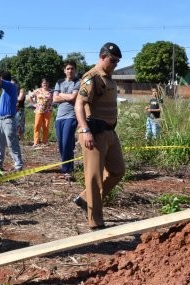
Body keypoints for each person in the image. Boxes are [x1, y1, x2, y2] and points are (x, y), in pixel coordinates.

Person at [73, 42, 125, 231]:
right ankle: (95, 222)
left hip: (110, 132)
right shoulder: (91, 77)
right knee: (94, 178)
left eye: (117, 62)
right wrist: (85, 130)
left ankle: (85, 199)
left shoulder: (109, 78)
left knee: (118, 170)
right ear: (102, 57)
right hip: (94, 134)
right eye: (112, 60)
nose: (115, 64)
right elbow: (79, 104)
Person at [53, 60, 80, 180]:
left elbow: (74, 97)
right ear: (64, 71)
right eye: (68, 68)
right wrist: (66, 96)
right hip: (59, 117)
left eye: (72, 68)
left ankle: (67, 170)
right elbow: (54, 99)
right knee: (61, 145)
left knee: (67, 143)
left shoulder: (78, 82)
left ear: (75, 70)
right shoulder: (59, 82)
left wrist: (61, 95)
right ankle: (68, 166)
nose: (70, 70)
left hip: (71, 116)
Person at [0, 71, 23, 171]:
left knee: (12, 143)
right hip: (0, 120)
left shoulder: (10, 85)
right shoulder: (5, 92)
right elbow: (5, 106)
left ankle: (18, 165)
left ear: (2, 78)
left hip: (8, 120)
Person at [30, 78, 53, 146]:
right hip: (39, 110)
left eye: (46, 83)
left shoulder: (51, 91)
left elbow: (54, 98)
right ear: (41, 84)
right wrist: (33, 104)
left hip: (48, 110)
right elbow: (31, 97)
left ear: (48, 84)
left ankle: (45, 141)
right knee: (37, 126)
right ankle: (36, 142)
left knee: (46, 126)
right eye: (43, 83)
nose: (45, 84)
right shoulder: (38, 90)